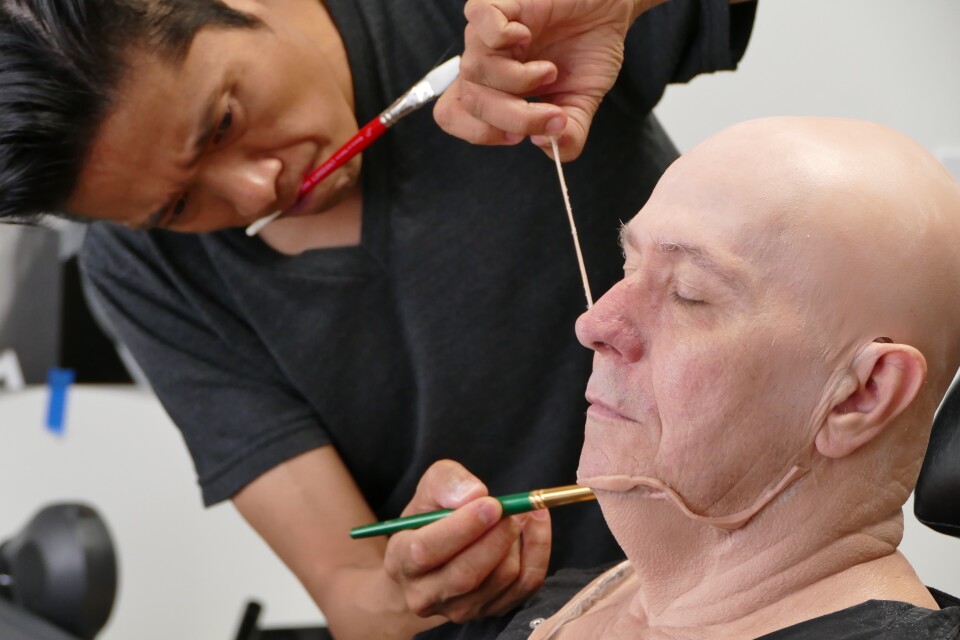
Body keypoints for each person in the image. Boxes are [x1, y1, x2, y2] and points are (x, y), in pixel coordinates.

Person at [0, 0, 755, 637]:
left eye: (224, 121)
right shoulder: (143, 272)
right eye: (178, 207)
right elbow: (349, 584)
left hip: (777, 536)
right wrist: (414, 585)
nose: (258, 190)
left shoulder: (452, 16)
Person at [463, 115, 960, 638]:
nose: (594, 325)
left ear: (862, 395)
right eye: (629, 265)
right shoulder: (542, 597)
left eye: (689, 294)